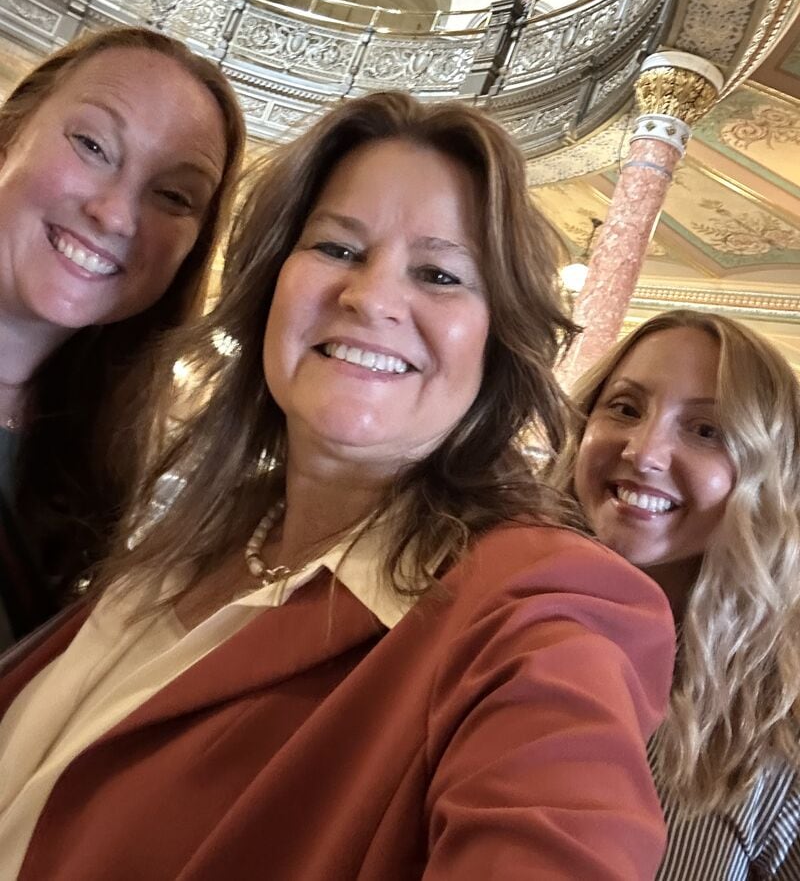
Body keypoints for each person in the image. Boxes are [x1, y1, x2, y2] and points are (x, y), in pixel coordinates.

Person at [0, 92, 674, 880]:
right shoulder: (186, 537)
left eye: (438, 272)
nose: (372, 297)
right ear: (269, 290)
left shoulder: (541, 604)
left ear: (497, 345)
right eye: (338, 249)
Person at [0, 25, 245, 644]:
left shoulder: (100, 468)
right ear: (11, 134)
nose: (116, 215)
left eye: (173, 195)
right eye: (92, 145)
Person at [550, 309, 800, 878]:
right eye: (625, 407)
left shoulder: (780, 725)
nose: (644, 451)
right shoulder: (491, 616)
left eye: (707, 430)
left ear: (768, 477)